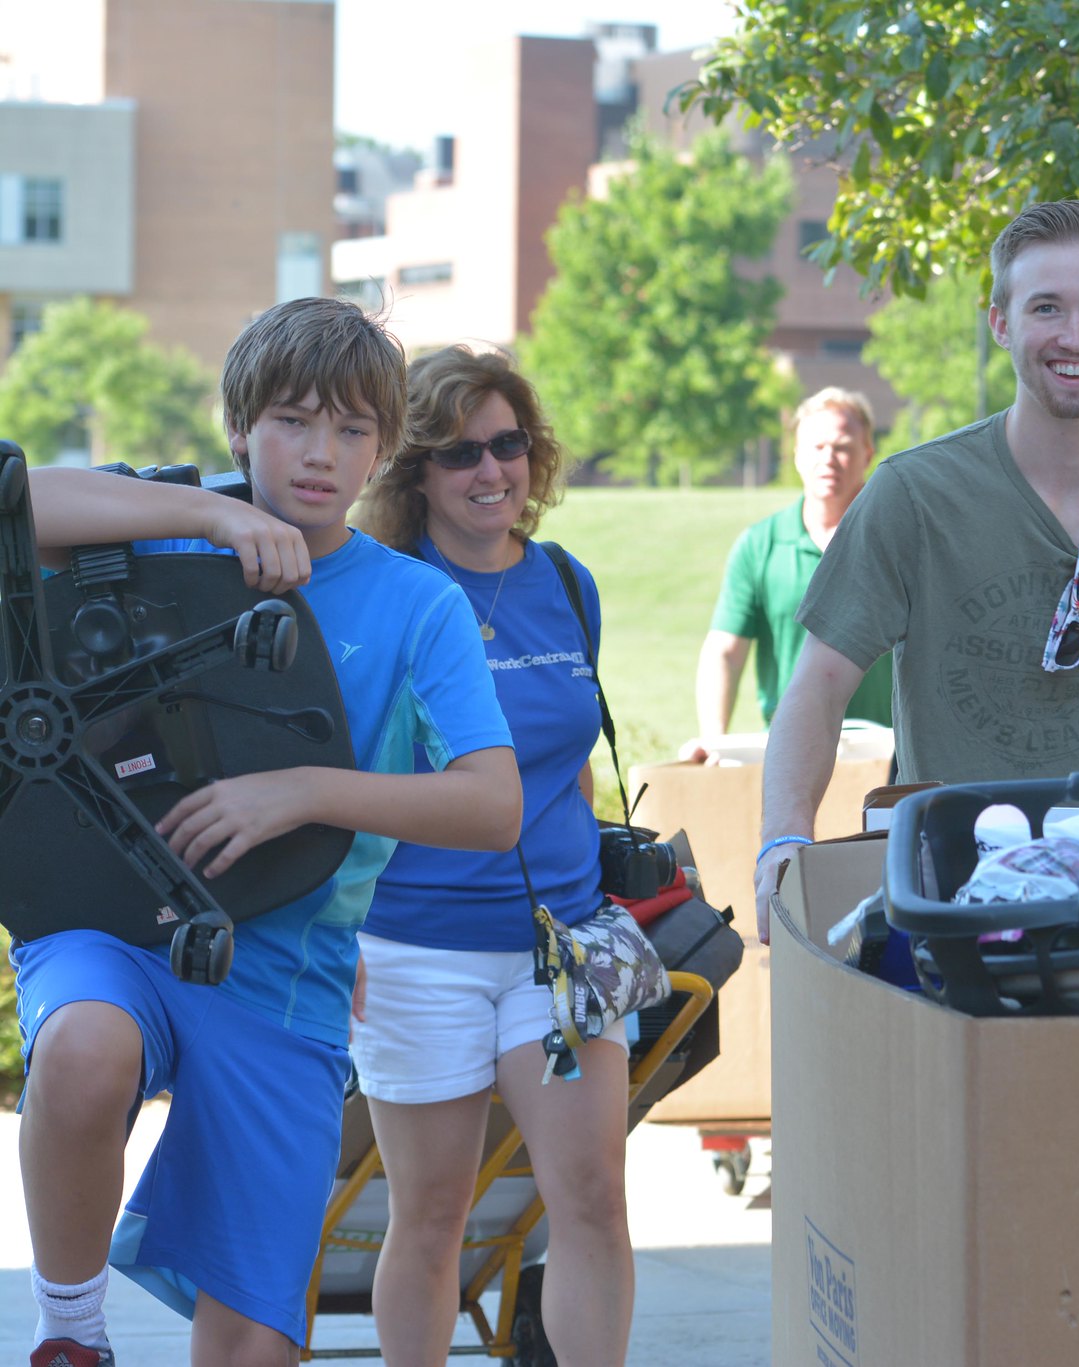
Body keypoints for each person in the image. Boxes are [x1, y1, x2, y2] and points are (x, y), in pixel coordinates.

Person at [16, 298, 520, 1367]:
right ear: (240, 423)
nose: (320, 454)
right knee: (82, 1049)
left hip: (285, 973)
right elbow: (21, 500)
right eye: (293, 420)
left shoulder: (418, 604)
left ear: (384, 446)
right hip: (113, 922)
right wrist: (208, 516)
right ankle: (70, 1331)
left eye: (351, 430)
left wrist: (302, 789)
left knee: (250, 1348)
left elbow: (491, 802)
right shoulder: (163, 527)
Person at [753, 198, 1079, 939]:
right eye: (1047, 308)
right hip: (942, 893)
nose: (1076, 336)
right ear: (1001, 323)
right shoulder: (914, 495)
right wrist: (784, 841)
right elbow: (817, 686)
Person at [349, 346, 634, 1367]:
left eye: (507, 443)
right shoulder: (387, 593)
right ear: (414, 471)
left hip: (559, 943)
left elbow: (573, 771)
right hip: (416, 948)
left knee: (593, 1199)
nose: (490, 471)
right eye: (459, 451)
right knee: (430, 1216)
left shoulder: (566, 581)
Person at [687, 387, 893, 756]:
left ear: (868, 454)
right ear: (796, 454)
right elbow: (725, 652)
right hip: (792, 749)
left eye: (842, 447)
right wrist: (714, 742)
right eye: (817, 447)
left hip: (888, 752)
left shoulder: (898, 538)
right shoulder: (760, 545)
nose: (829, 459)